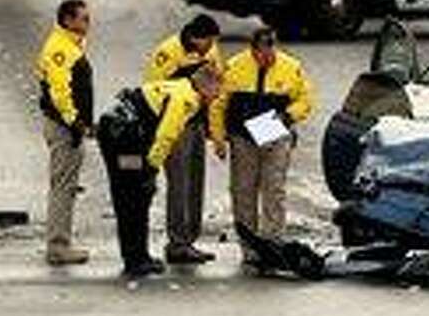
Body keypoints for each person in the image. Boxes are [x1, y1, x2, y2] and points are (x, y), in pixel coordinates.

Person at [96, 66, 223, 278]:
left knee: (139, 196)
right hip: (122, 137)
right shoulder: (185, 100)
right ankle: (134, 261)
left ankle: (140, 256)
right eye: (216, 91)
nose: (218, 96)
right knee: (131, 196)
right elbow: (166, 136)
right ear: (204, 87)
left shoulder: (183, 87)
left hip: (125, 131)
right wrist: (151, 168)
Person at [209, 27, 315, 270]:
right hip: (243, 137)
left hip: (275, 133)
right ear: (253, 50)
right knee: (243, 190)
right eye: (261, 54)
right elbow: (218, 104)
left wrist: (287, 117)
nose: (266, 59)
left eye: (270, 53)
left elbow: (306, 100)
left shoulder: (291, 67)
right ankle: (249, 246)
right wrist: (218, 139)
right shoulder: (235, 67)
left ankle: (272, 242)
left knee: (274, 189)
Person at [142, 14, 225, 265]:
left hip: (197, 123)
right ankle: (177, 243)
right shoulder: (168, 53)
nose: (211, 48)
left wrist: (214, 131)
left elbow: (216, 88)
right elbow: (152, 90)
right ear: (193, 38)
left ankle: (190, 238)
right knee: (179, 184)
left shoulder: (210, 50)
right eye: (207, 42)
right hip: (175, 124)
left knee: (195, 182)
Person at [35, 0, 93, 266]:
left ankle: (60, 243)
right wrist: (76, 123)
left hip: (65, 125)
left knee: (66, 186)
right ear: (68, 20)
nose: (88, 24)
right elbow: (60, 93)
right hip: (63, 127)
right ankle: (58, 247)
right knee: (63, 187)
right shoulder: (61, 49)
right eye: (84, 19)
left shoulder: (70, 44)